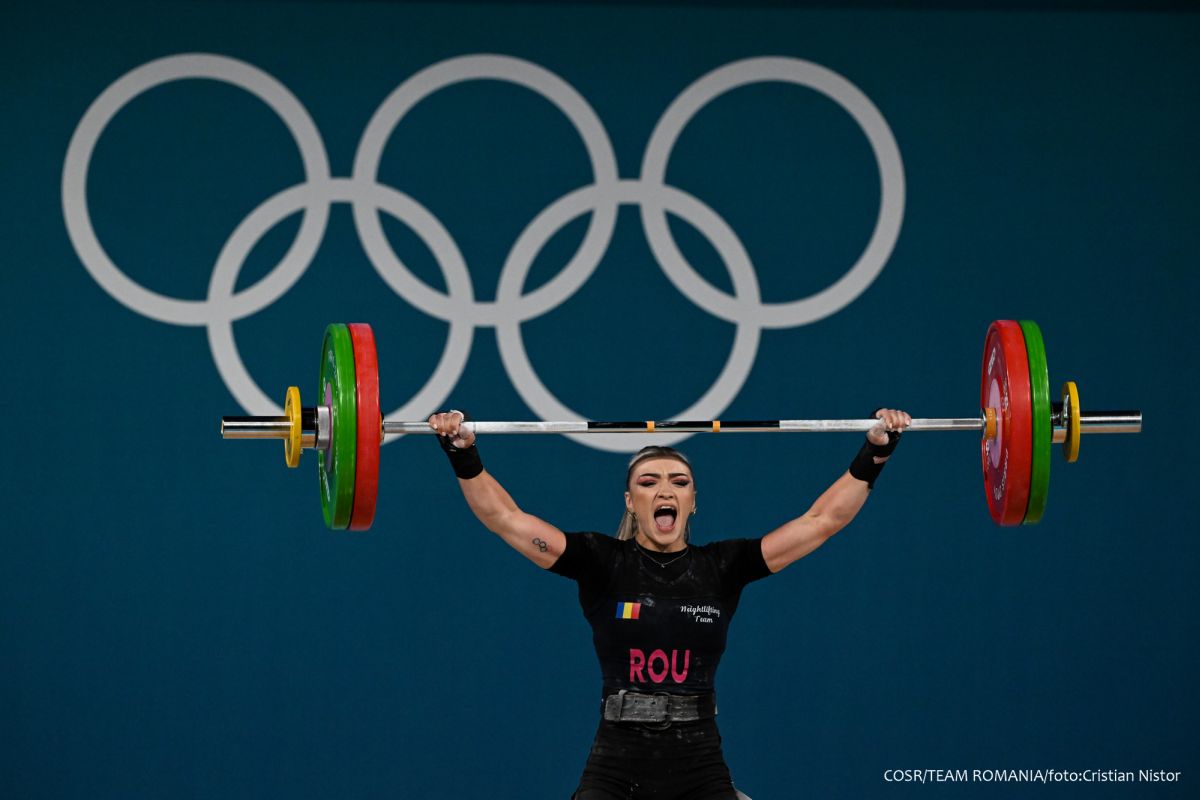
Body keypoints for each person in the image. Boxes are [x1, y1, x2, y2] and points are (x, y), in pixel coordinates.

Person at [427, 409, 913, 800]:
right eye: (649, 481)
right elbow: (505, 518)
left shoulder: (724, 566)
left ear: (693, 501)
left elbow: (822, 520)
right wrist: (461, 451)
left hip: (699, 762)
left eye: (678, 482)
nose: (665, 490)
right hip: (615, 763)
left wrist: (876, 451)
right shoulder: (600, 561)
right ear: (630, 501)